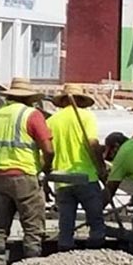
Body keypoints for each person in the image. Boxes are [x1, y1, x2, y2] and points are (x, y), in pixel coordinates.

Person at [0, 78, 54, 265]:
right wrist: (46, 167)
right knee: (32, 222)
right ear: (29, 98)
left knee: (1, 222)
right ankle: (32, 264)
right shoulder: (32, 115)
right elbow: (48, 149)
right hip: (23, 174)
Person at [48, 83, 107, 251]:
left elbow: (47, 150)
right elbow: (92, 144)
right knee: (95, 219)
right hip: (86, 176)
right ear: (80, 100)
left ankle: (65, 247)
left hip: (62, 178)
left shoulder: (51, 121)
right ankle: (96, 249)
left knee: (66, 220)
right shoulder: (86, 117)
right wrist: (101, 167)